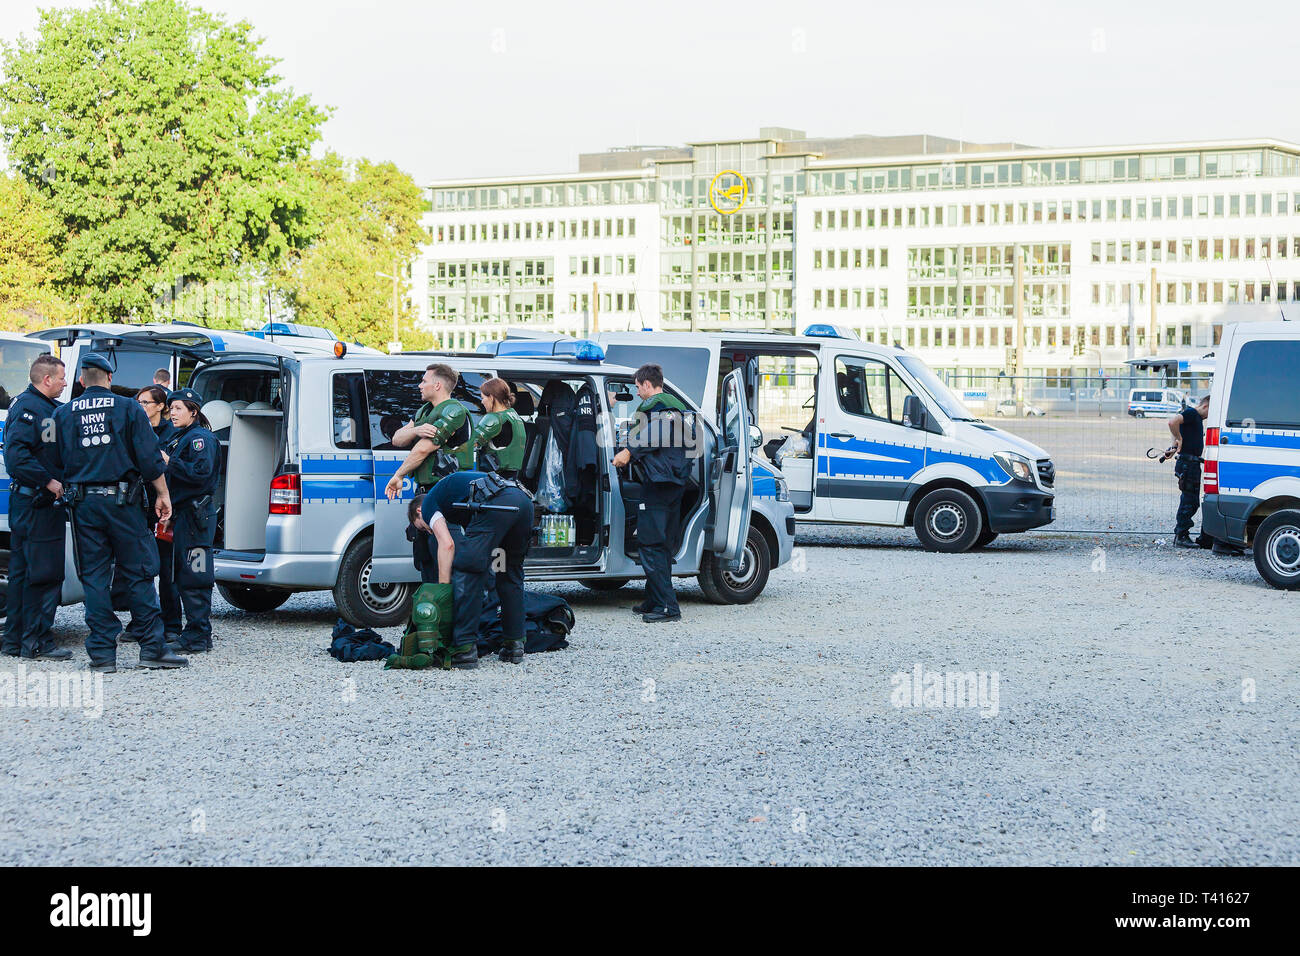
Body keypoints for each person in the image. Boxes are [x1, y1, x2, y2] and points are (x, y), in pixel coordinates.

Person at [50, 353, 187, 673]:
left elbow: (56, 459)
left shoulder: (64, 413)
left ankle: (102, 655)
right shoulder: (128, 408)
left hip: (84, 506)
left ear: (82, 380)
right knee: (139, 572)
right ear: (109, 379)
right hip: (123, 503)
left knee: (95, 579)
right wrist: (163, 494)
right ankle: (152, 648)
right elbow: (149, 457)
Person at [424, 469, 533, 668]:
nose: (428, 529)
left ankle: (464, 649)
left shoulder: (427, 505)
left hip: (498, 504)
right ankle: (514, 644)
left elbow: (447, 543)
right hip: (523, 502)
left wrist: (443, 589)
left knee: (469, 568)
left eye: (423, 527)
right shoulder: (459, 492)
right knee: (509, 573)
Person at [2, 354, 70, 661]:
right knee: (43, 573)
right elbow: (17, 457)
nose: (65, 382)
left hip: (29, 502)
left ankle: (16, 640)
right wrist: (49, 482)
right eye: (61, 378)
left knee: (23, 573)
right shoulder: (31, 408)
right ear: (47, 380)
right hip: (37, 503)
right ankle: (37, 641)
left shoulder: (37, 405)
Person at [611, 363, 692, 623]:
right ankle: (655, 599)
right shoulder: (673, 408)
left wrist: (628, 452)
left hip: (660, 485)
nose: (636, 392)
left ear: (648, 384)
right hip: (670, 483)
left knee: (651, 544)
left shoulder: (663, 409)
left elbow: (655, 434)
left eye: (637, 387)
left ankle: (668, 608)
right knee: (662, 545)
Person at [114, 385, 182, 644]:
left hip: (163, 508)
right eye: (138, 402)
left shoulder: (172, 434)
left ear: (160, 406)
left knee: (166, 568)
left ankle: (172, 623)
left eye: (146, 402)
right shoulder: (134, 429)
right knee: (138, 568)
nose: (140, 406)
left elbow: (174, 469)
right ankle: (140, 621)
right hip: (137, 506)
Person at [159, 388, 220, 654]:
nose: (172, 413)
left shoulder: (200, 439)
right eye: (170, 408)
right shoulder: (181, 436)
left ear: (193, 411)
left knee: (195, 575)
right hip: (184, 515)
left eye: (178, 408)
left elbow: (200, 474)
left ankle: (198, 636)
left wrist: (169, 462)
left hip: (197, 516)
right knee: (183, 574)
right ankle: (193, 633)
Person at [384, 363, 472, 500]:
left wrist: (399, 475)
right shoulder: (424, 411)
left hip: (447, 490)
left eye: (424, 381)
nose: (420, 385)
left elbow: (423, 449)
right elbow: (396, 439)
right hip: (425, 490)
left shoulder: (454, 411)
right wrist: (417, 430)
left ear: (437, 385)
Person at [470, 377, 526, 478]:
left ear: (491, 397)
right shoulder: (514, 415)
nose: (482, 402)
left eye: (483, 398)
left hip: (495, 481)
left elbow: (470, 443)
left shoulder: (494, 419)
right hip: (512, 477)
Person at [407, 491, 455, 584]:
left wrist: (442, 587)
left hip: (434, 500)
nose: (429, 530)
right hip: (426, 497)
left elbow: (448, 545)